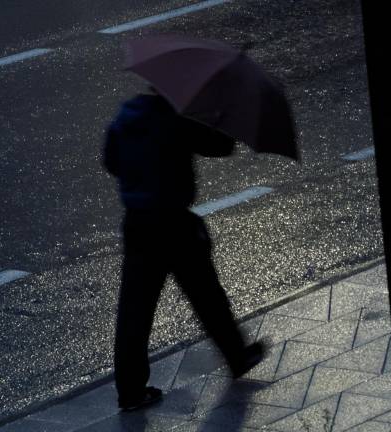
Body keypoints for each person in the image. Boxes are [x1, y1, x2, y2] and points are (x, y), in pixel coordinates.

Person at [103, 90, 263, 411]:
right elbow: (221, 146)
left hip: (137, 223)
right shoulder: (176, 119)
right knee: (206, 293)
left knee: (135, 309)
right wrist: (221, 112)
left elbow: (110, 161)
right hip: (174, 224)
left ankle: (130, 390)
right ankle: (236, 355)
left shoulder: (128, 115)